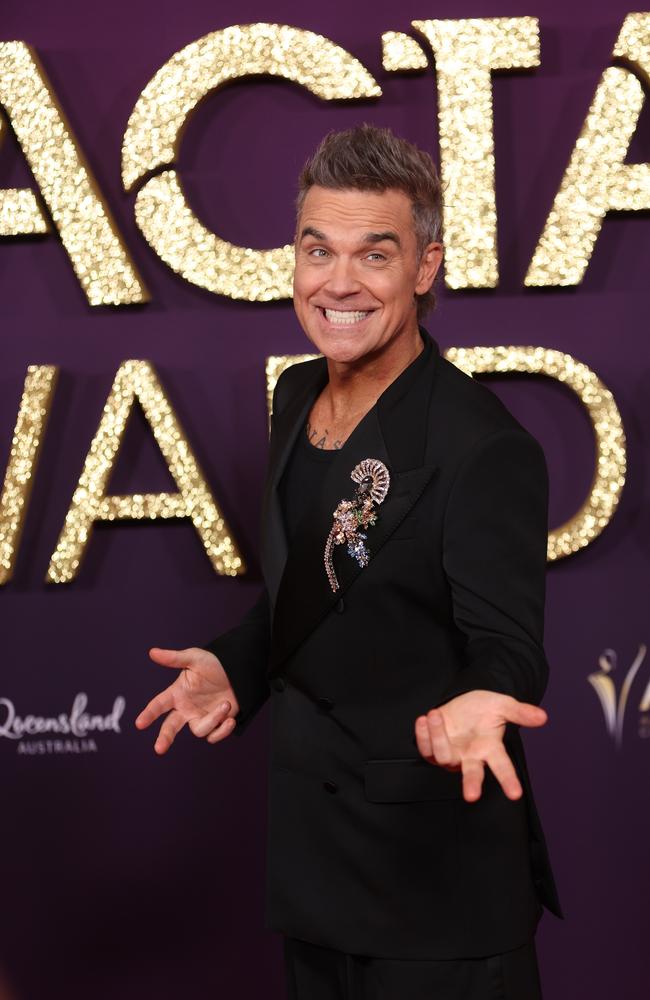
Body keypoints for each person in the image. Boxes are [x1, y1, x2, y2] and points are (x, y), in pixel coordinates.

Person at [136, 124, 561, 999]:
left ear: (426, 267)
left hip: (436, 897)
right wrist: (237, 667)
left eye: (375, 255)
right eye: (317, 249)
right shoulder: (296, 392)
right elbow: (319, 590)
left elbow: (507, 644)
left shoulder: (480, 445)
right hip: (316, 877)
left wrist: (486, 697)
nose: (339, 282)